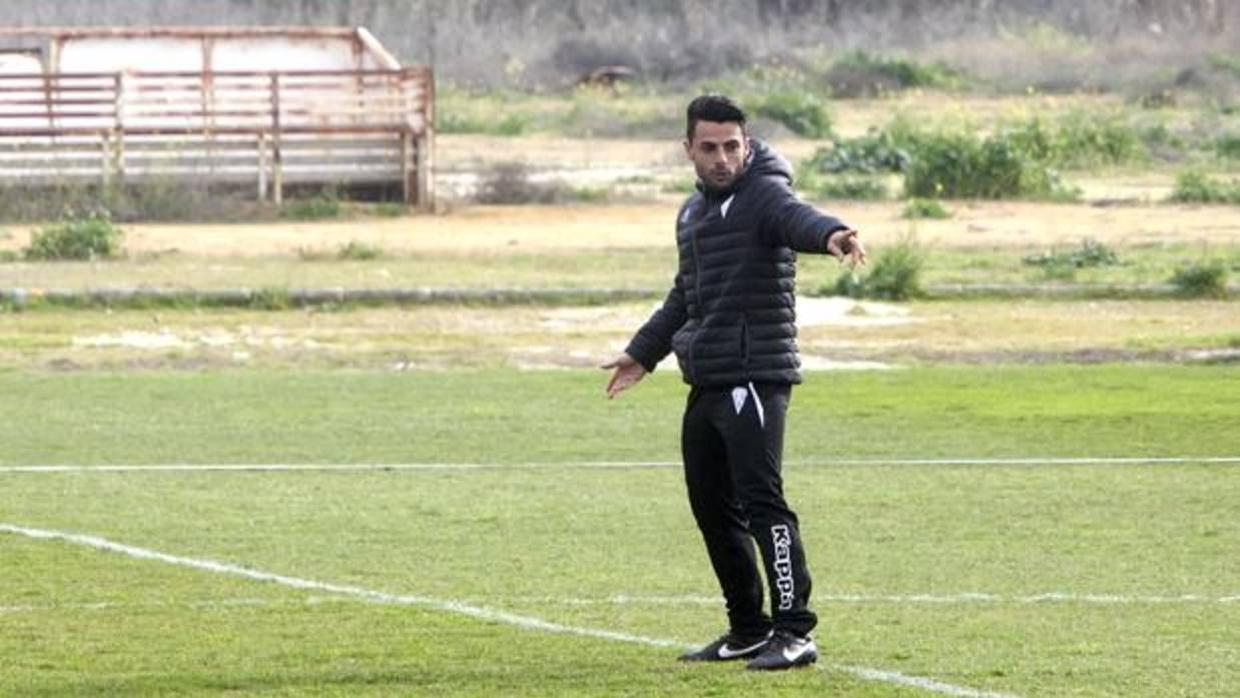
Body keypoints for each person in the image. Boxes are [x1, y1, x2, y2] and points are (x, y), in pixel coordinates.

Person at [602, 95, 866, 671]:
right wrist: (642, 353)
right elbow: (686, 295)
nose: (722, 158)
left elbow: (799, 219)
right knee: (711, 508)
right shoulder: (692, 214)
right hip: (709, 378)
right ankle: (748, 627)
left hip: (754, 376)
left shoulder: (764, 195)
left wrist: (834, 235)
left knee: (762, 502)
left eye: (732, 146)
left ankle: (794, 631)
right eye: (709, 148)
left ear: (746, 145)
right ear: (688, 150)